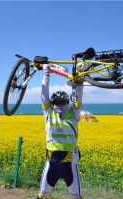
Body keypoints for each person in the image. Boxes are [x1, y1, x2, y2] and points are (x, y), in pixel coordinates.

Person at [37, 64, 84, 199]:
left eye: (63, 102)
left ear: (67, 103)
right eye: (56, 103)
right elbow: (44, 94)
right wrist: (46, 74)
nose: (59, 105)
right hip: (51, 164)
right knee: (42, 195)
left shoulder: (74, 114)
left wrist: (79, 79)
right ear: (52, 104)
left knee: (77, 196)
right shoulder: (48, 113)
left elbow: (78, 98)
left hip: (70, 164)